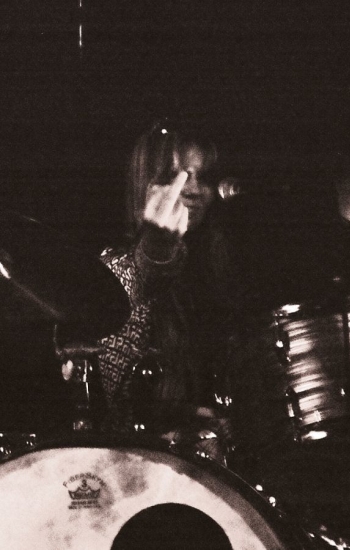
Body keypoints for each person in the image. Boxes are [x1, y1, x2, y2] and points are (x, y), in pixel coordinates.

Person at [96, 119, 237, 456]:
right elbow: (148, 272)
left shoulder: (216, 266)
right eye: (174, 176)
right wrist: (159, 244)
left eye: (203, 178)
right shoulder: (114, 267)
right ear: (143, 183)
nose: (193, 189)